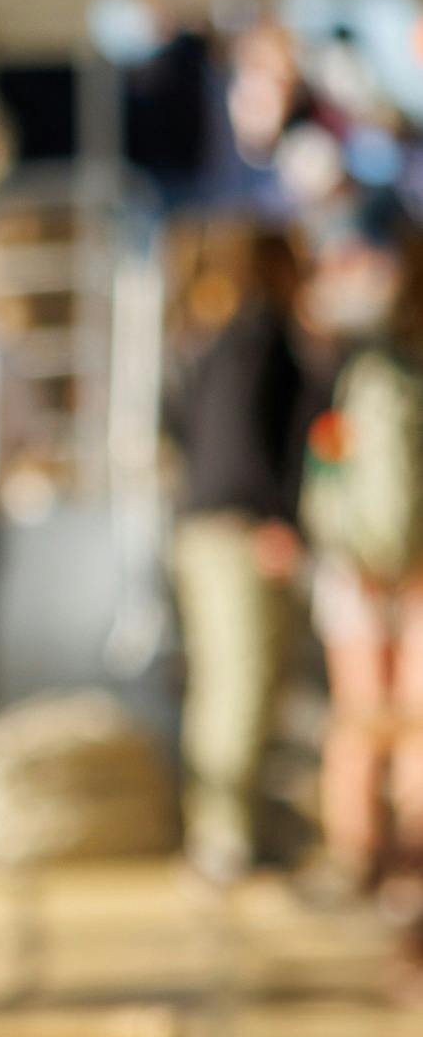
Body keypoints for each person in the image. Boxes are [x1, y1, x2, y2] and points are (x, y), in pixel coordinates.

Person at [162, 222, 308, 881]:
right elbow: (251, 438)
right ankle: (225, 837)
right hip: (241, 530)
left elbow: (181, 428)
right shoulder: (262, 336)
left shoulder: (209, 336)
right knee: (242, 686)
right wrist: (273, 518)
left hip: (199, 527)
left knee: (218, 685)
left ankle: (219, 831)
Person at [300, 221, 423, 956]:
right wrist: (352, 546)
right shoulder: (346, 368)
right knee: (363, 717)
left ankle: (405, 868)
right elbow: (326, 469)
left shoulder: (381, 370)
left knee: (409, 724)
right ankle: (360, 856)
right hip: (358, 567)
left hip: (407, 568)